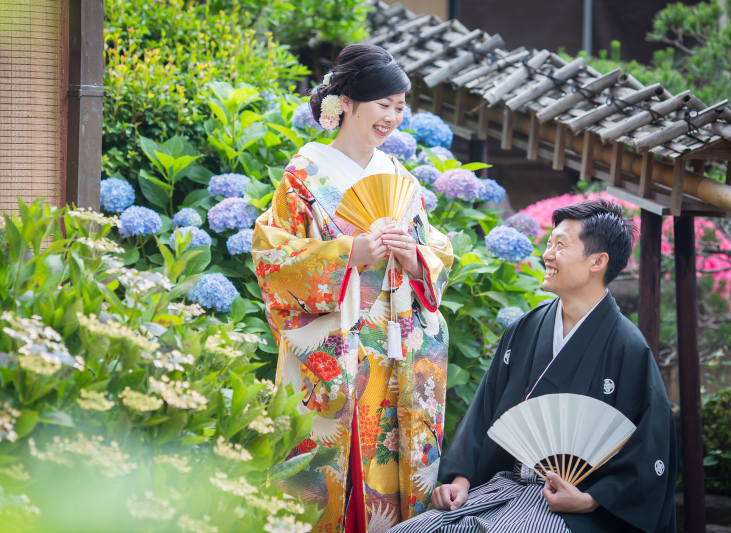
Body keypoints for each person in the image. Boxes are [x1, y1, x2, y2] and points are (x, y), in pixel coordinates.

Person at [251, 43, 454, 533]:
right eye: (383, 104)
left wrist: (415, 257)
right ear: (346, 102)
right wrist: (348, 254)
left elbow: (437, 250)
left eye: (400, 107)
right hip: (333, 348)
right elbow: (272, 256)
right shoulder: (304, 176)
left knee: (390, 465)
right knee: (329, 468)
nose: (392, 118)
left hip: (396, 348)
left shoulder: (399, 177)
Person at [387, 199, 677, 533]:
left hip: (576, 507)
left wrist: (590, 499)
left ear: (597, 262)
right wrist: (461, 480)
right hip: (508, 486)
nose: (547, 255)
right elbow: (484, 412)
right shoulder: (525, 328)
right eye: (549, 243)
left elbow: (650, 451)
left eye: (560, 246)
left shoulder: (628, 347)